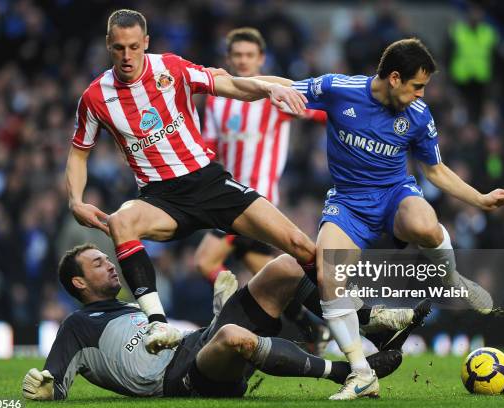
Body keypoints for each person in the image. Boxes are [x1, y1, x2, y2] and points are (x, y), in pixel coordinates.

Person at [232, 38, 504, 399]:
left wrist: (480, 198)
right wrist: (253, 85)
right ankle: (361, 372)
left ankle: (451, 278)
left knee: (424, 224)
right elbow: (287, 86)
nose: (421, 94)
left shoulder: (418, 115)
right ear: (395, 78)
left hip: (394, 196)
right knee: (327, 273)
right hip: (349, 203)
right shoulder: (340, 89)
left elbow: (435, 170)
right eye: (418, 86)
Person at [66, 9, 317, 356]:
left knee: (300, 246)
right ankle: (157, 323)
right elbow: (79, 152)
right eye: (119, 48)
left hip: (208, 182)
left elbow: (227, 84)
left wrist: (266, 88)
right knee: (123, 220)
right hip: (160, 197)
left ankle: (356, 321)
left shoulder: (171, 67)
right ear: (108, 45)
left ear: (146, 44)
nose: (127, 56)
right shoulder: (95, 97)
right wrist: (75, 200)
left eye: (134, 47)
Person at [21, 244, 414, 401]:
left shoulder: (129, 307)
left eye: (107, 259)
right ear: (78, 282)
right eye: (97, 263)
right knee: (231, 336)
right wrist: (41, 389)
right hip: (179, 379)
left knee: (286, 266)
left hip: (195, 342)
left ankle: (368, 322)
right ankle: (347, 372)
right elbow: (53, 387)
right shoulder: (76, 326)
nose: (110, 264)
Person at [195, 27, 328, 349]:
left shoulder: (274, 95)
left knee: (205, 262)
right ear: (228, 58)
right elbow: (209, 148)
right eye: (237, 55)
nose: (242, 61)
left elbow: (319, 112)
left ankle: (231, 312)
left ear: (261, 59)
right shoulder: (217, 100)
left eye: (249, 55)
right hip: (226, 195)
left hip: (255, 197)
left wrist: (356, 117)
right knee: (271, 274)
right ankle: (316, 326)